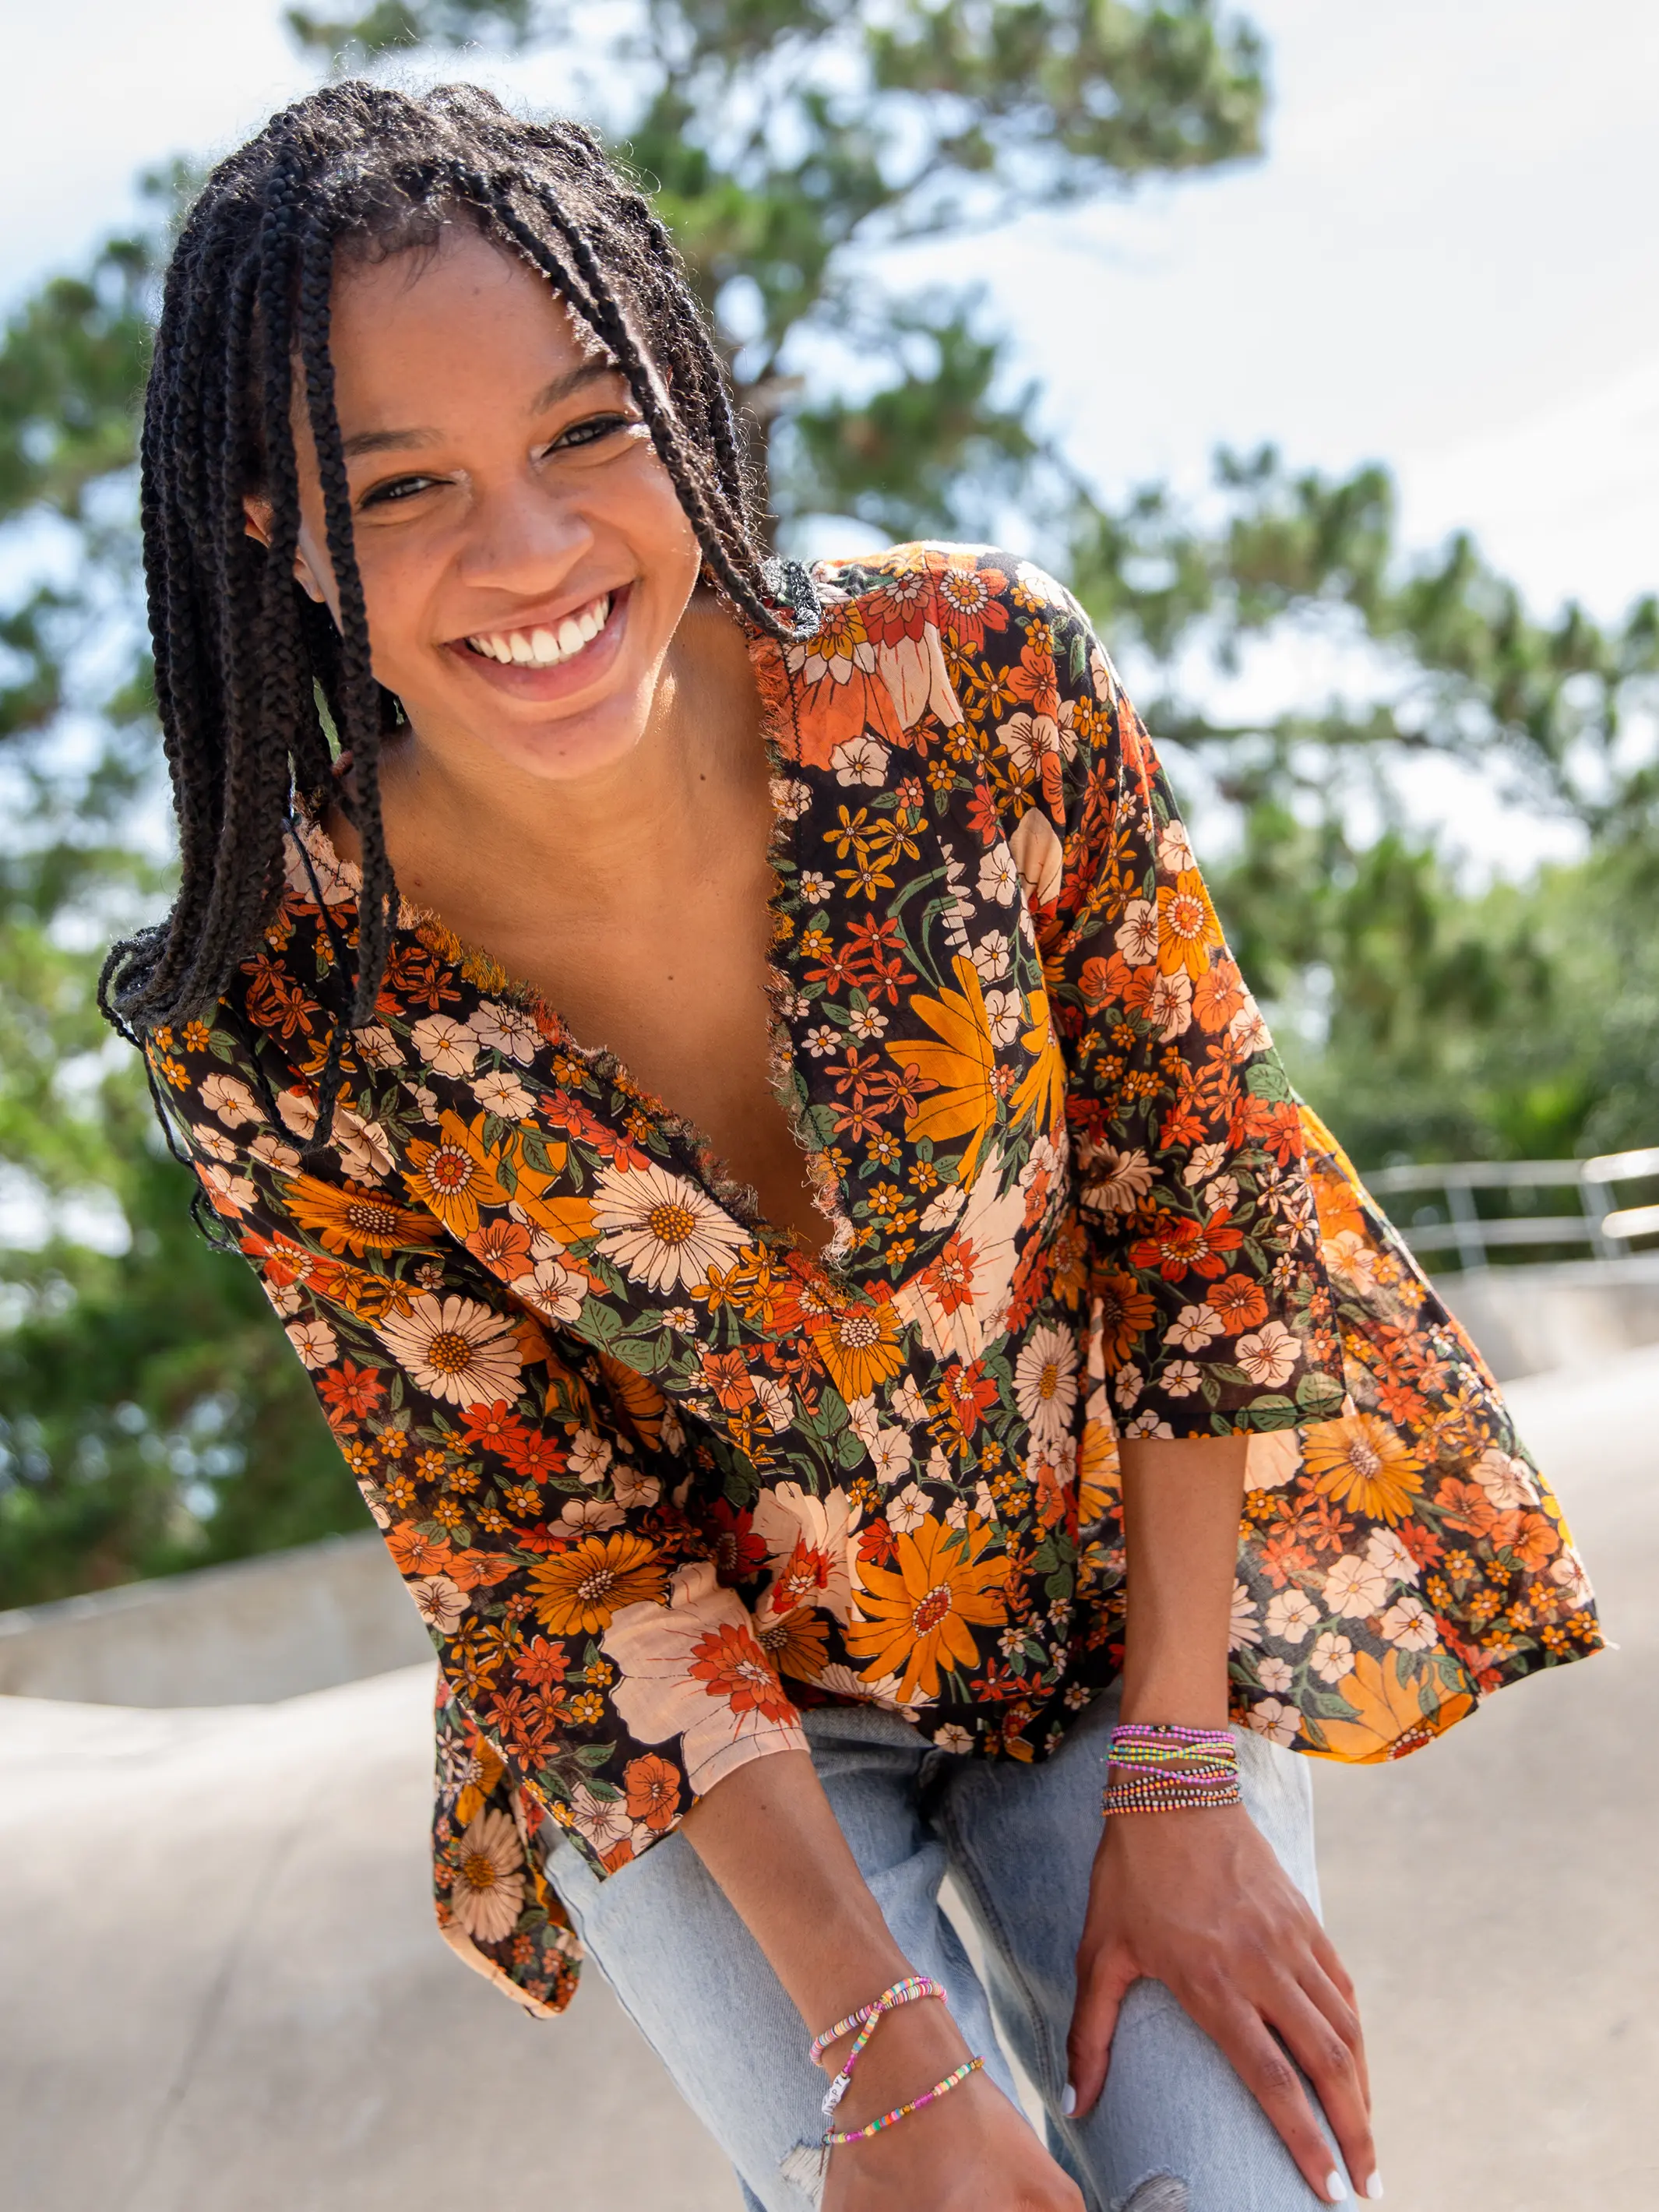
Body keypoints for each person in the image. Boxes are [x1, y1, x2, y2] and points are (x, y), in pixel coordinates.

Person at [102, 80, 1602, 2212]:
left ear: (690, 400)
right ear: (272, 525)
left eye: (588, 433)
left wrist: (1186, 1778)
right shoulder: (278, 1018)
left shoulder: (974, 686)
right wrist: (872, 2034)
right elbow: (548, 1555)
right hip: (713, 1734)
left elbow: (1205, 1209)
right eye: (405, 485)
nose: (528, 553)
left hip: (1108, 1617)